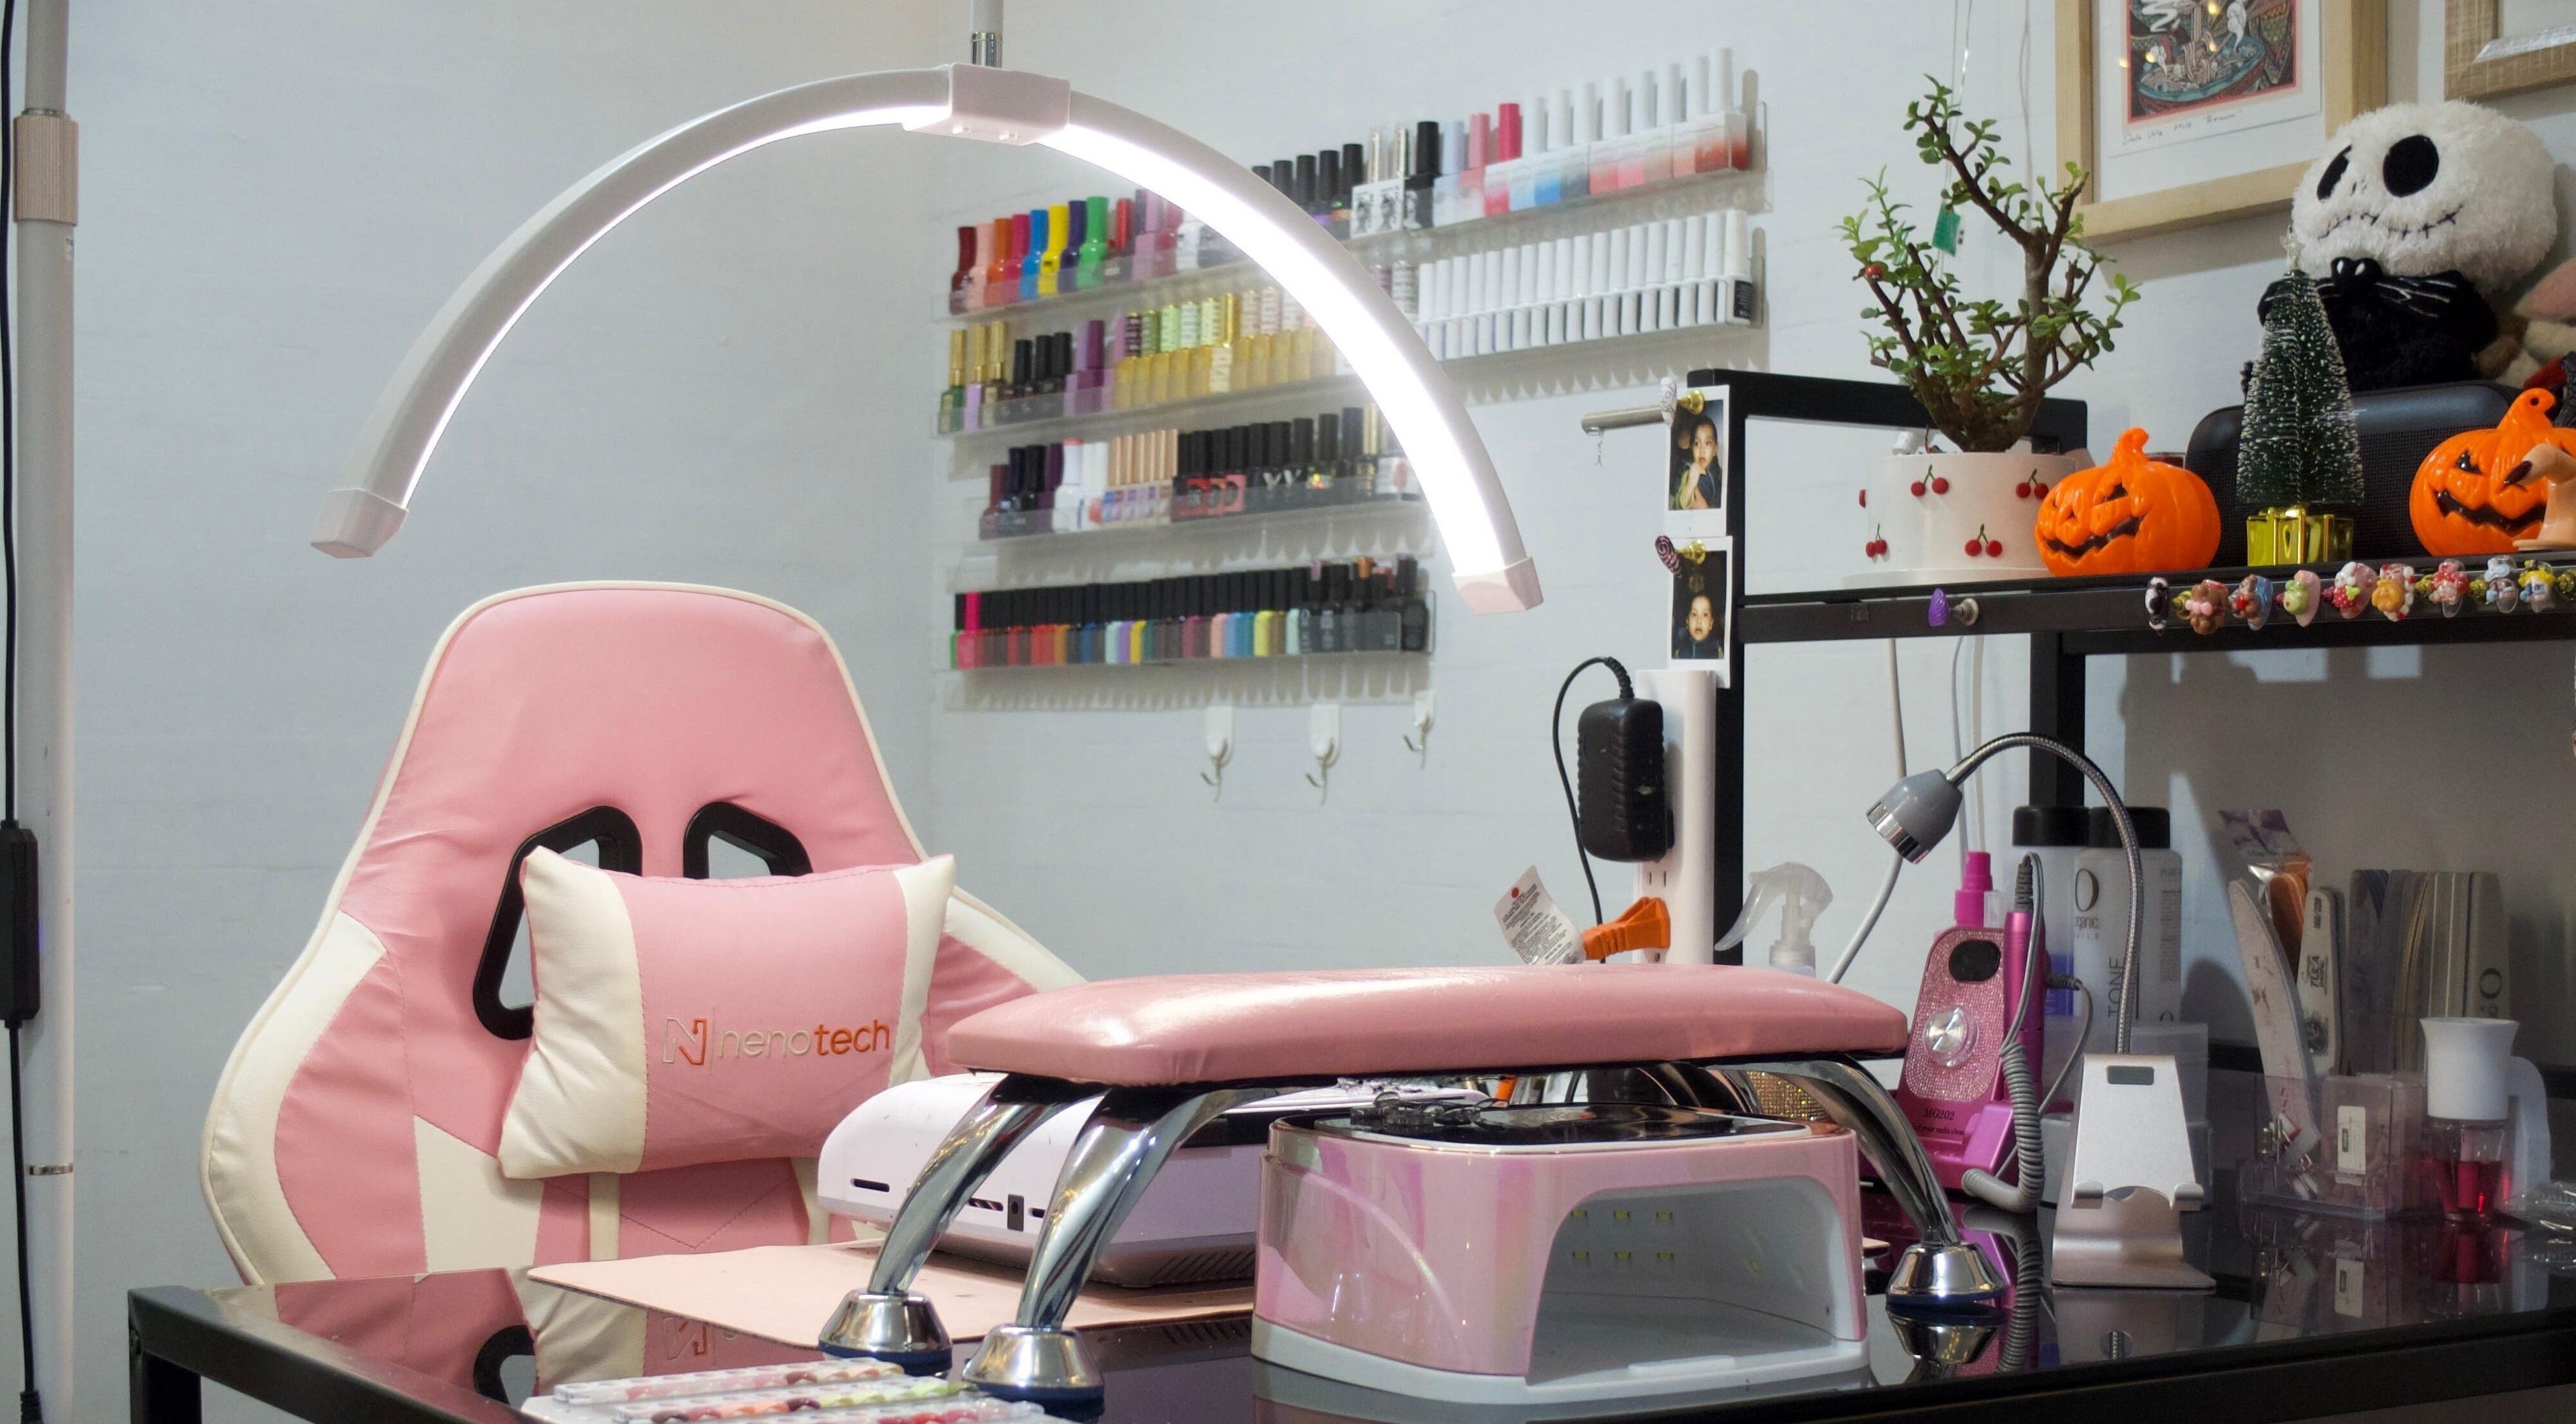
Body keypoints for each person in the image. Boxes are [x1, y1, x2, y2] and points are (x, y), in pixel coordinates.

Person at [1671, 413, 1721, 510]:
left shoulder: (1716, 467)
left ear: (1715, 450)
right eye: (1697, 444)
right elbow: (1679, 504)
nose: (1702, 450)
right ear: (1691, 448)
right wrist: (1690, 486)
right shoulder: (1689, 473)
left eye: (1708, 443)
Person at [1674, 589, 1721, 659]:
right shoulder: (1679, 653)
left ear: (1711, 624)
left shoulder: (1718, 652)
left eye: (1705, 615)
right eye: (1694, 614)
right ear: (1687, 622)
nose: (1699, 621)